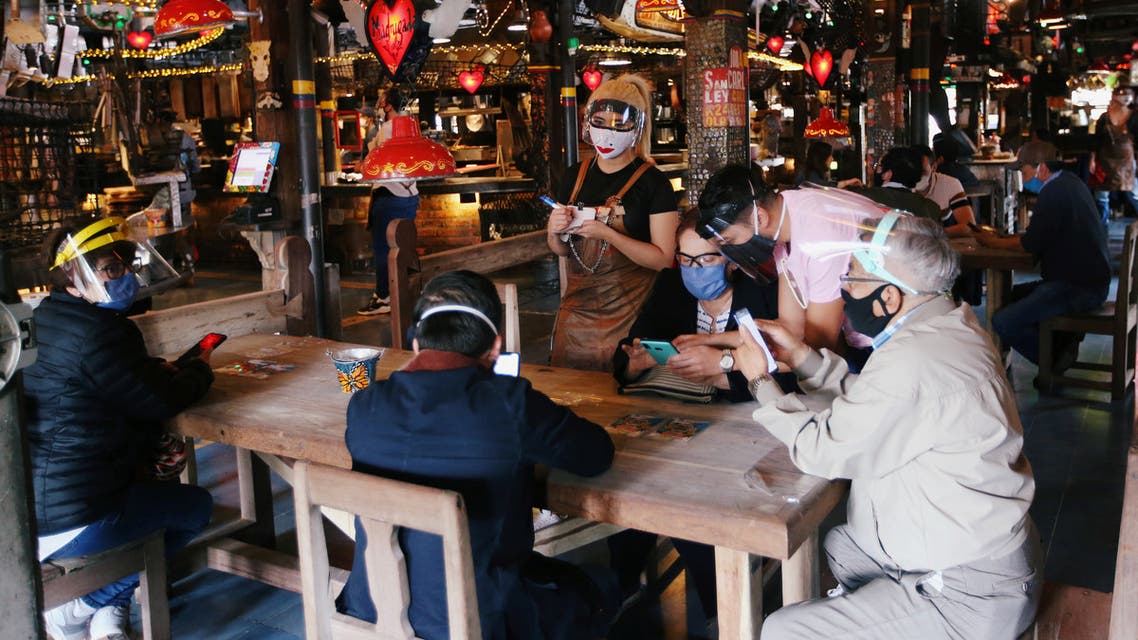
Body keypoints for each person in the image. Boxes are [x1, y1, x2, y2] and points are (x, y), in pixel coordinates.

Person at [735, 213, 1041, 640]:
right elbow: (884, 401)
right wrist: (804, 357)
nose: (844, 288)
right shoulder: (949, 325)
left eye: (855, 278)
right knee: (843, 547)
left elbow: (823, 450)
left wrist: (760, 382)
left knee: (785, 630)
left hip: (968, 593)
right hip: (988, 558)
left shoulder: (912, 358)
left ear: (890, 298)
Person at [338, 270, 619, 639]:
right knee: (599, 586)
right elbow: (596, 455)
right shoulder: (511, 405)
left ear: (418, 344)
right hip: (479, 619)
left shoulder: (364, 405)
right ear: (495, 347)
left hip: (369, 606)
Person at [26, 217, 215, 640]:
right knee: (195, 507)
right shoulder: (103, 332)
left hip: (36, 507)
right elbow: (159, 402)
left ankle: (109, 609)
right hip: (75, 517)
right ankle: (82, 606)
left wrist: (152, 370)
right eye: (110, 270)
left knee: (154, 495)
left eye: (124, 266)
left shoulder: (49, 317)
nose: (124, 276)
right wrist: (201, 372)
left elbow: (101, 378)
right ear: (74, 278)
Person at [547, 74, 680, 371]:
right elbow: (561, 250)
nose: (607, 134)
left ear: (637, 128)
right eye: (600, 122)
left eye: (620, 126)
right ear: (587, 121)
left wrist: (609, 234)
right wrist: (554, 230)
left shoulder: (654, 183)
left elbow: (663, 259)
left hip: (633, 311)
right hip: (576, 312)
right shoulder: (573, 176)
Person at [696, 164, 884, 367]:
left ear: (760, 217)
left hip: (888, 348)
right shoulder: (784, 221)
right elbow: (791, 326)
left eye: (730, 240)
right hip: (865, 342)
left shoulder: (820, 234)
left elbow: (820, 347)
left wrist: (728, 362)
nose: (732, 252)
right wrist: (707, 341)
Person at [976, 141, 1110, 370]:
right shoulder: (1070, 182)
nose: (1025, 179)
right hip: (1089, 280)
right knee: (1012, 295)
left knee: (1003, 321)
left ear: (1043, 168)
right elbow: (1038, 235)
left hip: (1078, 287)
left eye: (1025, 172)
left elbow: (1030, 243)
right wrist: (1000, 239)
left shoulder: (1053, 192)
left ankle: (1054, 359)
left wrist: (993, 242)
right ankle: (1063, 341)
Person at [358, 88, 420, 315]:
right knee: (404, 246)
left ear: (388, 105)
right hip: (410, 195)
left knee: (384, 248)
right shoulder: (413, 128)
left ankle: (384, 296)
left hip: (389, 194)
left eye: (381, 101)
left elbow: (374, 162)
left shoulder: (387, 129)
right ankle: (399, 292)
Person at [1090, 84, 1138, 224]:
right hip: (1104, 161)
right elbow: (1096, 140)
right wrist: (1092, 159)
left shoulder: (1134, 117)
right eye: (1121, 94)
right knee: (1101, 195)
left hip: (1126, 162)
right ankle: (1101, 225)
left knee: (1131, 193)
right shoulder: (1104, 118)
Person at [853, 146, 942, 222]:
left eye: (879, 166)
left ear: (887, 174)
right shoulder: (931, 209)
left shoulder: (863, 197)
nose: (874, 171)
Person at [913, 143, 976, 236]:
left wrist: (933, 234)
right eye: (913, 171)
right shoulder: (899, 185)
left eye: (922, 172)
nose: (916, 176)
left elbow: (970, 226)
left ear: (934, 167)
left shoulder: (949, 184)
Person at [794, 140, 861, 189]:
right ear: (823, 158)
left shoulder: (809, 173)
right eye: (830, 155)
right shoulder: (811, 176)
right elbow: (827, 187)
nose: (832, 159)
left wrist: (848, 183)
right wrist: (848, 182)